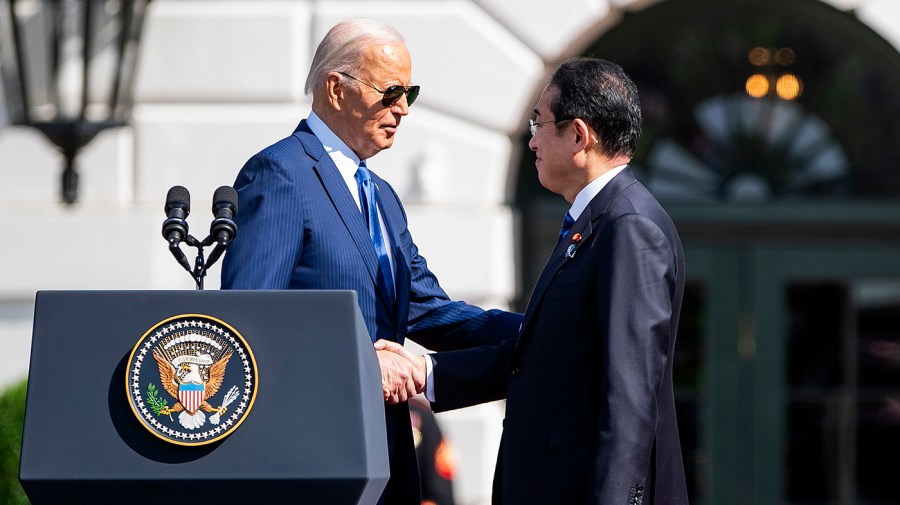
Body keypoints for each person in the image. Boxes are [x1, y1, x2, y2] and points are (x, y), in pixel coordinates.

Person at [220, 18, 521, 505]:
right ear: (336, 90)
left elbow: (429, 309)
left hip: (386, 449)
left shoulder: (380, 196)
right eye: (390, 91)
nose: (402, 108)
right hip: (311, 451)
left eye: (410, 93)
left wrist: (541, 330)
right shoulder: (280, 173)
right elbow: (247, 320)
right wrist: (359, 363)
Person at [378, 57, 689, 504]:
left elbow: (629, 397)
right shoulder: (597, 221)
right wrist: (427, 372)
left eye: (539, 123)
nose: (531, 140)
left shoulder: (628, 227)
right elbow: (551, 355)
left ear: (578, 135)